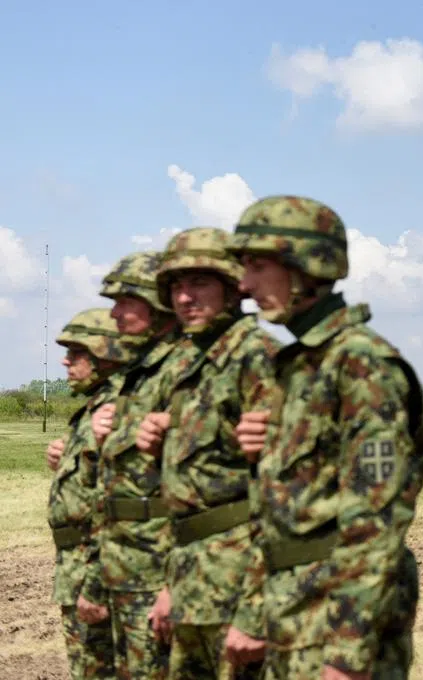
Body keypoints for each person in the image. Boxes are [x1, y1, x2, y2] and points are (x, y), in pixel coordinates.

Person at [222, 195, 423, 680]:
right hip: (291, 612)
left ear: (306, 267)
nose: (244, 285)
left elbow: (374, 523)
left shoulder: (361, 365)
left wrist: (347, 657)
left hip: (332, 622)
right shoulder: (299, 367)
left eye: (257, 266)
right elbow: (284, 511)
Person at [133, 227, 280, 679]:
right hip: (192, 580)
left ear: (233, 287)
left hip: (240, 584)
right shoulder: (189, 364)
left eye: (199, 283)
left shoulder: (258, 357)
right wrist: (170, 585)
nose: (184, 297)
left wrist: (256, 611)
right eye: (176, 286)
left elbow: (283, 498)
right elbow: (188, 497)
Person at [92, 250, 183, 679]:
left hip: (158, 572)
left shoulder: (181, 370)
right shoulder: (139, 375)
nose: (114, 313)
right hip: (125, 568)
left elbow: (199, 490)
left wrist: (174, 583)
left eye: (125, 301)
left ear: (156, 303)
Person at [46, 308, 135, 680]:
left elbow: (116, 505)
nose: (66, 361)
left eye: (77, 353)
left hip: (94, 566)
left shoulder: (117, 409)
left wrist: (97, 584)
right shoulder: (92, 410)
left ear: (105, 355)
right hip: (75, 565)